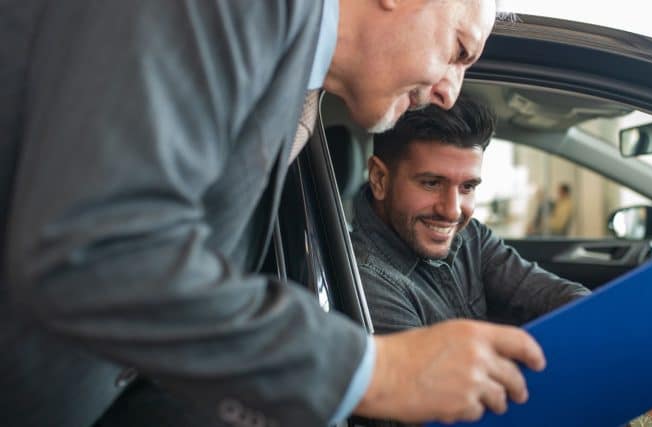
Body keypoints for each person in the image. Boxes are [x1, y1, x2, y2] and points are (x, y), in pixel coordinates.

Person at [0, 1, 550, 426]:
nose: (452, 92)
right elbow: (100, 255)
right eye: (458, 49)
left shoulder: (287, 80)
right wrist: (380, 372)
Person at [350, 95, 652, 426]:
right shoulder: (371, 284)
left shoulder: (469, 236)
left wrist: (633, 365)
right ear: (380, 179)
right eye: (431, 183)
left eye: (468, 187)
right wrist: (643, 421)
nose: (452, 210)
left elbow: (556, 298)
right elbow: (454, 418)